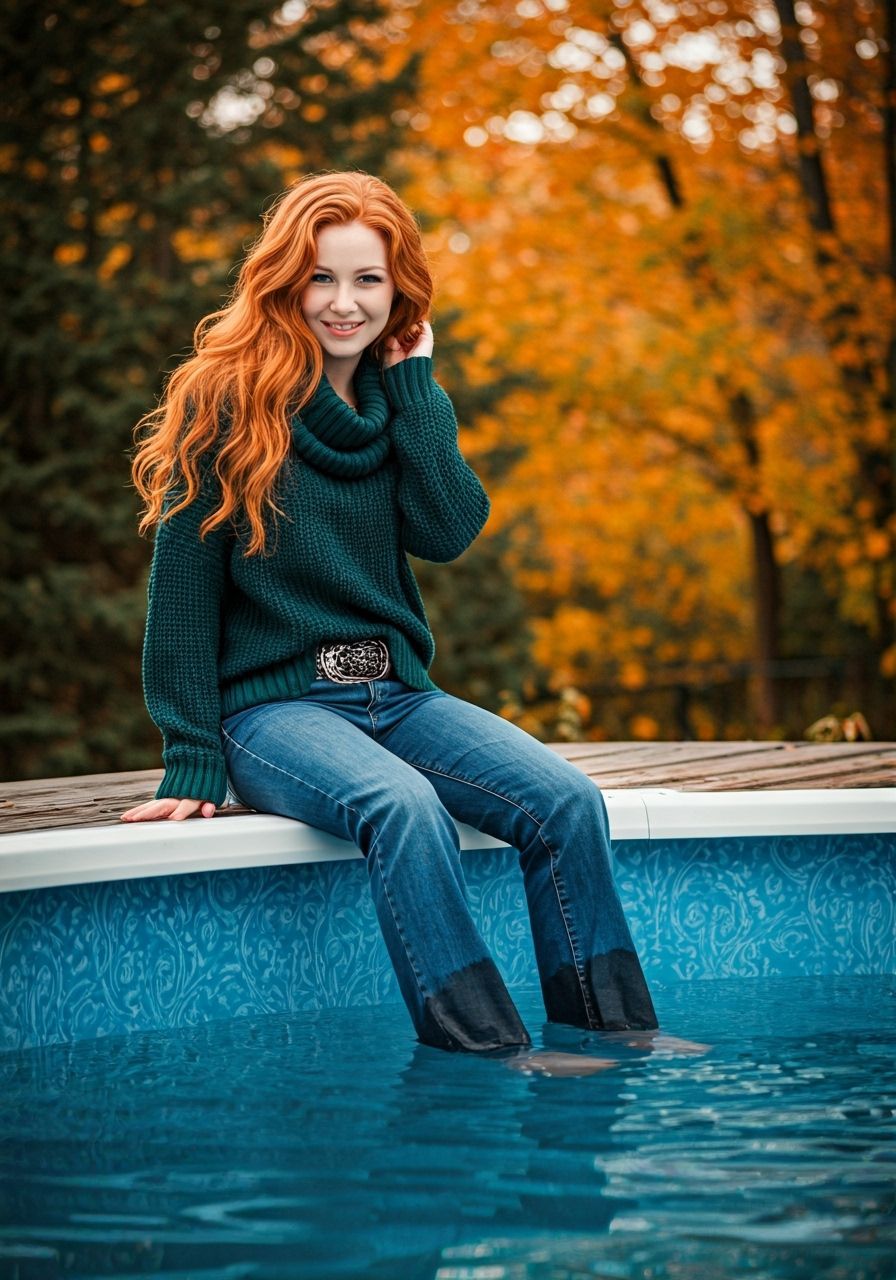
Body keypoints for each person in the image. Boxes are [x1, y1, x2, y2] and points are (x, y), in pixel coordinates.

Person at [121, 170, 677, 1065]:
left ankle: (615, 1030)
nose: (344, 303)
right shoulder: (226, 399)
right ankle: (487, 1044)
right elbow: (181, 591)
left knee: (568, 802)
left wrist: (417, 386)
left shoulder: (397, 404)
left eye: (367, 279)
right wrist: (191, 751)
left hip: (397, 695)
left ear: (399, 289)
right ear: (286, 282)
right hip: (275, 712)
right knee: (402, 806)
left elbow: (449, 530)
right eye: (322, 278)